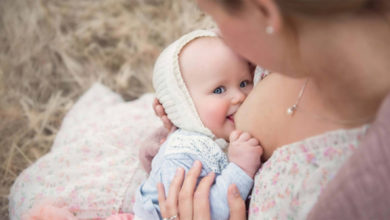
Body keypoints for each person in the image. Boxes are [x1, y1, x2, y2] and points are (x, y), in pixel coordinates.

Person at [150, 0, 390, 219]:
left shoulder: (342, 190)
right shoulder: (281, 50)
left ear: (265, 12)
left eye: (216, 17)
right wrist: (185, 118)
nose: (219, 34)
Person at [133, 29, 263, 220]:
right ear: (184, 105)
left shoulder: (214, 137)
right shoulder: (183, 155)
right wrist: (240, 169)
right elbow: (199, 213)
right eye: (219, 89)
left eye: (244, 83)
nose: (239, 96)